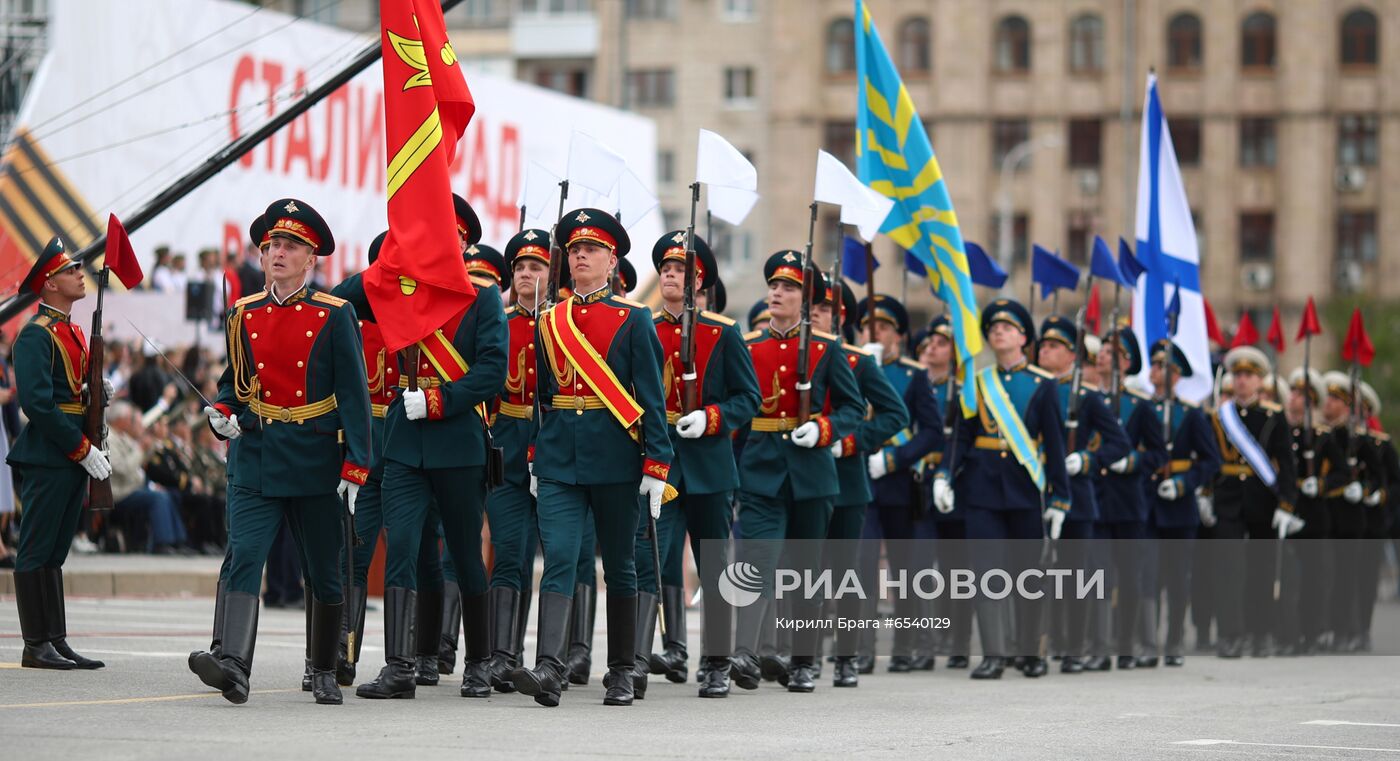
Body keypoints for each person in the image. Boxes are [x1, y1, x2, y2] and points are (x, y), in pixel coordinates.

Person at [190, 198, 372, 705]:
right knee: (244, 554)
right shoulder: (242, 313)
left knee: (323, 568)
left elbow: (355, 394)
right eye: (271, 244)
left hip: (315, 456)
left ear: (311, 257)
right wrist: (223, 413)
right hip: (256, 454)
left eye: (290, 245)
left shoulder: (335, 314)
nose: (277, 252)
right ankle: (231, 663)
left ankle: (321, 667)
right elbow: (233, 384)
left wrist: (357, 464)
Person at [509, 208, 672, 708]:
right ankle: (550, 668)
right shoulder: (549, 320)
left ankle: (622, 669)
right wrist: (536, 455)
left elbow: (650, 398)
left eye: (592, 250)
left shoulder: (634, 319)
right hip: (559, 459)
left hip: (616, 459)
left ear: (612, 260)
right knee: (558, 560)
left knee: (620, 565)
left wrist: (656, 465)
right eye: (575, 249)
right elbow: (541, 394)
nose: (580, 256)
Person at [354, 195, 506, 700]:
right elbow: (340, 299)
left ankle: (480, 661)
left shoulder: (481, 297)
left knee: (463, 555)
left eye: (455, 236)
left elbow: (492, 371)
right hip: (404, 444)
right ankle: (399, 664)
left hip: (458, 444)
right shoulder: (399, 288)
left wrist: (440, 400)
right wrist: (389, 259)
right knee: (400, 550)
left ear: (465, 245)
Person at [729, 251, 864, 693]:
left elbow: (852, 407)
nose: (777, 292)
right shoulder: (749, 346)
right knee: (757, 562)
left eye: (788, 287)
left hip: (811, 472)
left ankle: (803, 660)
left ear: (806, 302)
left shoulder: (826, 349)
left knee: (805, 570)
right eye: (774, 285)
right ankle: (745, 654)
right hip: (762, 469)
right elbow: (740, 408)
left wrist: (823, 428)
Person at [635, 232, 760, 698]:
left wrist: (710, 418)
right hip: (659, 463)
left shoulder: (722, 332)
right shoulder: (642, 325)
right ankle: (647, 655)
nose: (669, 276)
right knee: (652, 557)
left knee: (715, 566)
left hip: (707, 463)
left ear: (698, 281)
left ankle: (716, 661)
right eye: (665, 269)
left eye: (680, 270)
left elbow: (749, 398)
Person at [931, 299, 1072, 680]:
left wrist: (1060, 497)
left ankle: (1029, 652)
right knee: (987, 573)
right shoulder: (978, 384)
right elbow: (959, 438)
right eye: (993, 327)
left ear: (1024, 337)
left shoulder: (1042, 385)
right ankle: (994, 653)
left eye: (1007, 327)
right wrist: (945, 474)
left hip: (1026, 490)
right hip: (982, 491)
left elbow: (1055, 446)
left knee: (1029, 575)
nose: (998, 332)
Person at [7, 236, 112, 670]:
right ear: (49, 284)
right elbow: (37, 403)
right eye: (70, 270)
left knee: (55, 552)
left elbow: (68, 392)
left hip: (69, 453)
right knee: (35, 549)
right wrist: (80, 447)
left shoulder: (69, 330)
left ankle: (56, 639)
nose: (79, 274)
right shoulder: (36, 335)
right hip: (53, 452)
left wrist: (95, 392)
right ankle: (36, 643)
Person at [1033, 316, 1129, 674]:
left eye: (1055, 346)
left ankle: (1073, 648)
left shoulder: (1086, 398)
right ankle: (1038, 643)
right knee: (1034, 574)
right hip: (1036, 491)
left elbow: (1119, 444)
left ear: (1072, 356)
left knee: (1075, 578)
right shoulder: (1030, 388)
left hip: (1076, 496)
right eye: (1043, 345)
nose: (1046, 350)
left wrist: (1087, 459)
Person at [823, 283, 907, 687]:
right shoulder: (790, 356)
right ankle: (787, 650)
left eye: (823, 308)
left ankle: (847, 656)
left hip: (843, 481)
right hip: (794, 480)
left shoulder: (856, 362)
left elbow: (895, 413)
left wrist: (853, 443)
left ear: (840, 317)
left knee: (846, 573)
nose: (815, 314)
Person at [479, 228, 551, 692]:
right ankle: (504, 655)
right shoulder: (497, 322)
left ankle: (562, 654)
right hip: (506, 446)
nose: (526, 274)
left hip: (557, 449)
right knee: (509, 551)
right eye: (520, 267)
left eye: (536, 267)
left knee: (564, 558)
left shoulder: (565, 324)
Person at [1202, 346, 1299, 659]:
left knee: (1261, 569)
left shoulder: (1272, 416)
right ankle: (1229, 635)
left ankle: (1260, 633)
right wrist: (1204, 495)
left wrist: (1286, 504)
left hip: (1262, 500)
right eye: (1238, 375)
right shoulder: (1219, 417)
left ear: (1260, 381)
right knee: (1227, 570)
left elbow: (1286, 463)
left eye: (1249, 376)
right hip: (1228, 500)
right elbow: (1208, 460)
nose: (1242, 381)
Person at [1088, 328, 1165, 671]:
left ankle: (1127, 645)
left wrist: (1132, 461)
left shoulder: (1140, 405)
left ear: (1127, 361)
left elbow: (1158, 454)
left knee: (1130, 575)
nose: (1103, 355)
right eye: (1102, 349)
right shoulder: (1088, 399)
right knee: (1097, 575)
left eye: (1112, 351)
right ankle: (1100, 647)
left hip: (1128, 501)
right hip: (1095, 497)